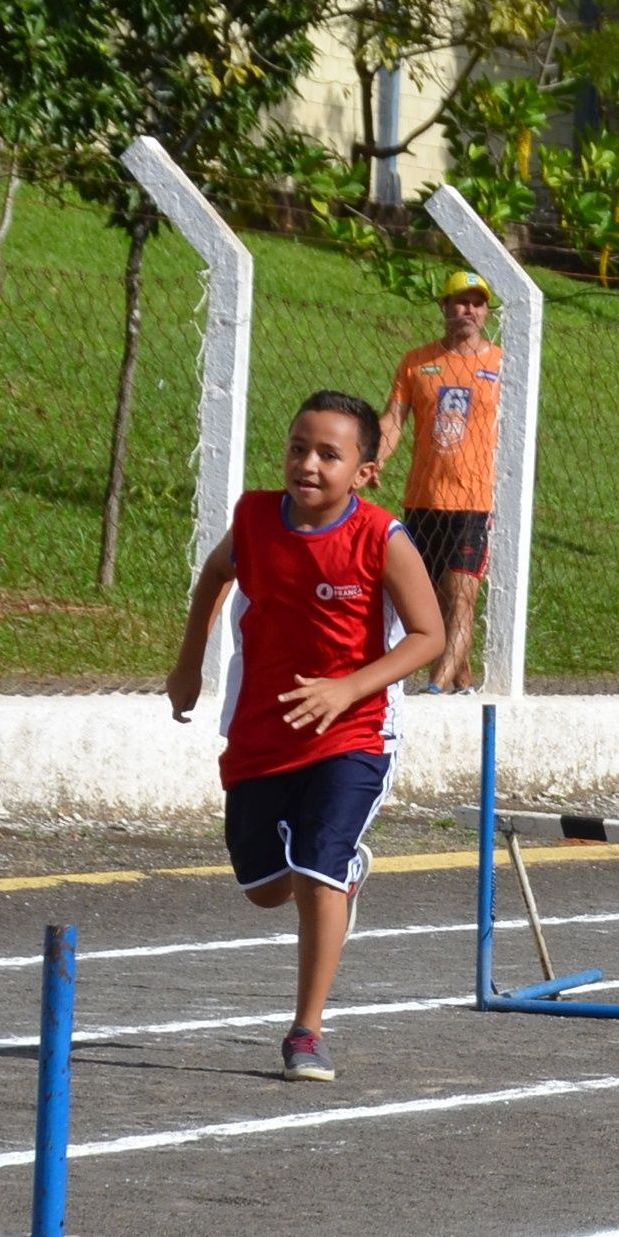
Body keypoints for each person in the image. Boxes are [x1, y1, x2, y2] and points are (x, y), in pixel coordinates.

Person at [167, 392, 446, 1082]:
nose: (308, 464)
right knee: (265, 885)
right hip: (265, 726)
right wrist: (187, 665)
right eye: (298, 447)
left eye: (329, 454)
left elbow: (429, 636)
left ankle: (306, 1031)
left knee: (321, 863)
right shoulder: (256, 518)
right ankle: (332, 878)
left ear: (365, 472)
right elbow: (213, 576)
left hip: (353, 728)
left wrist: (350, 688)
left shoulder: (384, 539)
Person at [382, 270, 504, 694]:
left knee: (461, 595)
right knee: (433, 602)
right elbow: (393, 421)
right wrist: (373, 460)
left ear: (487, 311)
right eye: (459, 300)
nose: (468, 309)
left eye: (477, 301)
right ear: (444, 307)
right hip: (423, 500)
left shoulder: (503, 364)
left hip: (475, 502)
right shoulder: (417, 363)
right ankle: (463, 685)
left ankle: (434, 691)